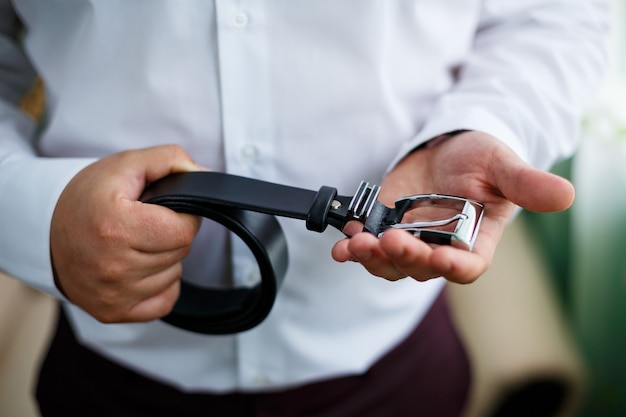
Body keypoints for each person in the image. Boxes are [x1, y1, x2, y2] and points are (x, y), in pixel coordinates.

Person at [0, 1, 608, 416]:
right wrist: (36, 216)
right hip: (110, 372)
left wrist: (490, 123)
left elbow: (553, 13)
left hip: (396, 364)